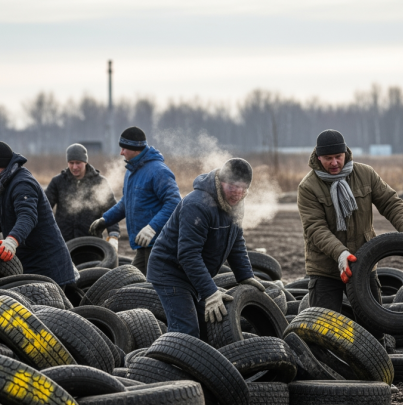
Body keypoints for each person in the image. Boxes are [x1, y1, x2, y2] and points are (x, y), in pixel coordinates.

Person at [297, 129, 403, 316]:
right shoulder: (308, 187)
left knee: (374, 325)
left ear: (345, 152)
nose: (335, 162)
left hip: (364, 263)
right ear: (318, 157)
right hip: (325, 269)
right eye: (328, 158)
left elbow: (390, 202)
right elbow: (315, 228)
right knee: (323, 327)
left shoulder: (365, 174)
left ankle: (381, 345)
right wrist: (341, 254)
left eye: (338, 156)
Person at [147, 158, 265, 339]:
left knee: (210, 325)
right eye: (233, 186)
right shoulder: (197, 205)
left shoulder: (236, 204)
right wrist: (210, 292)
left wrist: (245, 276)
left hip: (193, 274)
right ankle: (164, 364)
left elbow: (235, 241)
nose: (238, 193)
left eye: (243, 188)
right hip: (170, 272)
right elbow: (188, 254)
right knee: (186, 331)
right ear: (221, 181)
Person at [0, 142, 81, 303]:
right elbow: (0, 220)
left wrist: (12, 241)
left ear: (0, 164)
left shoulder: (22, 184)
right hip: (29, 261)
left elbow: (28, 217)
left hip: (47, 264)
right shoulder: (6, 183)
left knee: (52, 314)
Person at [89, 126, 180, 275]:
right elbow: (126, 203)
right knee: (133, 283)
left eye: (124, 148)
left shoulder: (158, 171)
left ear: (135, 148)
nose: (121, 152)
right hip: (143, 244)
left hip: (160, 244)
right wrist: (105, 219)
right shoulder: (132, 171)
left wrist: (152, 228)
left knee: (153, 287)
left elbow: (174, 203)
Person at [45, 143, 120, 250]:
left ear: (85, 162)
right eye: (71, 163)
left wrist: (113, 235)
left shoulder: (99, 182)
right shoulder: (58, 182)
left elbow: (111, 210)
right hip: (64, 243)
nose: (74, 167)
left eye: (78, 163)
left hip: (92, 242)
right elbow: (44, 208)